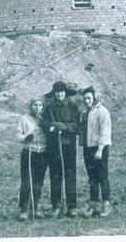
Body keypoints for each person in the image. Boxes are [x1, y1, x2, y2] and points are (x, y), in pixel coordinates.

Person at [42, 80, 80, 217]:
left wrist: (65, 127)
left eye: (62, 91)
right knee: (55, 176)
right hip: (53, 147)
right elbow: (44, 122)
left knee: (70, 175)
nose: (60, 94)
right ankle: (56, 205)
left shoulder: (73, 107)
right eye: (57, 92)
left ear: (66, 93)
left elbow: (76, 125)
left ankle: (71, 206)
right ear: (54, 94)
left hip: (68, 146)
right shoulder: (49, 108)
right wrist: (51, 127)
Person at [79, 86, 112, 217]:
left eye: (89, 98)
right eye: (85, 99)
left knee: (102, 176)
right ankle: (93, 205)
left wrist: (100, 149)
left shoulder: (102, 112)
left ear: (94, 98)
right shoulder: (85, 113)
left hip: (100, 148)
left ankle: (106, 204)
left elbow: (105, 132)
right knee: (92, 177)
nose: (86, 101)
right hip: (88, 148)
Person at [16, 98, 49, 220]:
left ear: (42, 107)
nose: (37, 107)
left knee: (38, 182)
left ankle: (35, 207)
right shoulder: (24, 119)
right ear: (31, 106)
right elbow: (18, 134)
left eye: (40, 105)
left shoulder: (45, 119)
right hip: (29, 152)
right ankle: (23, 209)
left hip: (42, 153)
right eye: (35, 105)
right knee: (26, 181)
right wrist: (25, 138)